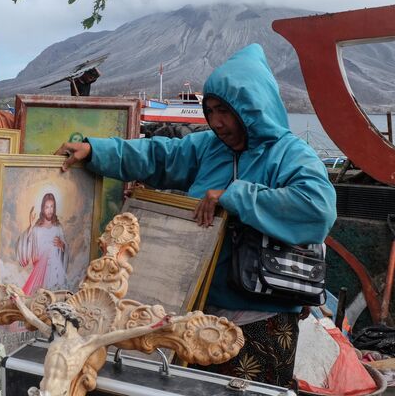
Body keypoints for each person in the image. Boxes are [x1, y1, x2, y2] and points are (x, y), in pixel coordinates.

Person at [55, 44, 337, 387]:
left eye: (226, 112)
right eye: (211, 110)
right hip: (198, 313)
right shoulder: (209, 148)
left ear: (252, 110)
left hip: (262, 320)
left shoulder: (290, 154)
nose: (217, 122)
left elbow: (317, 207)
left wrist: (235, 196)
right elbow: (158, 156)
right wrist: (95, 150)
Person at [6, 285, 175, 396]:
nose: (54, 322)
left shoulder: (86, 344)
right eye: (52, 319)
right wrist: (18, 302)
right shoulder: (53, 336)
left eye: (57, 317)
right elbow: (34, 320)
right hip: (40, 391)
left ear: (68, 318)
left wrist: (157, 325)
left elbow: (124, 334)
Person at [16, 193, 68, 295]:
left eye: (52, 207)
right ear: (42, 208)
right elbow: (28, 246)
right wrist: (30, 226)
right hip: (41, 270)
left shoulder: (58, 228)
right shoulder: (36, 229)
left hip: (56, 270)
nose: (50, 210)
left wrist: (62, 245)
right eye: (47, 207)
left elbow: (65, 248)